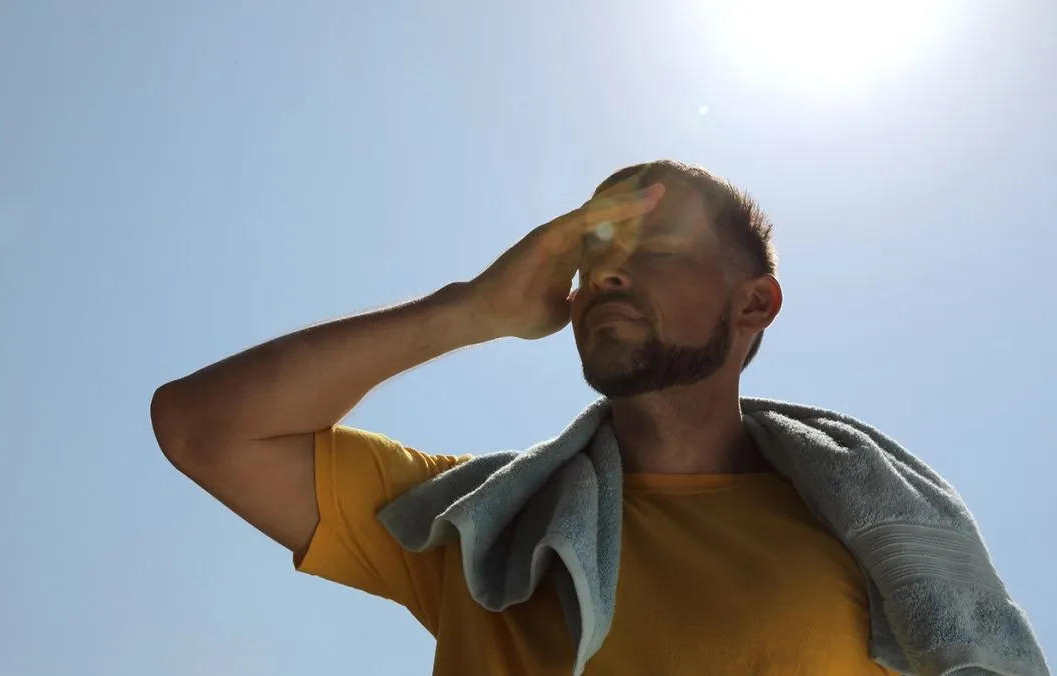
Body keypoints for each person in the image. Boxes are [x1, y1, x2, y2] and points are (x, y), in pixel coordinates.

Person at [149, 161, 901, 674]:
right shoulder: (482, 533)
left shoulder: (872, 544)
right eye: (593, 254)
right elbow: (203, 428)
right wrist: (473, 309)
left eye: (658, 250)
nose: (607, 272)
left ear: (754, 303)